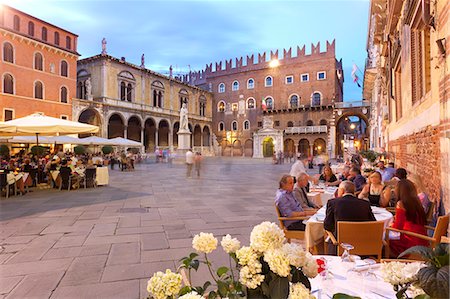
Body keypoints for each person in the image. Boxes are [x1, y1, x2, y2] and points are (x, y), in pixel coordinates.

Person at [324, 181, 376, 253]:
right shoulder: (365, 204)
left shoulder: (333, 203)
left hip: (339, 246)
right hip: (362, 245)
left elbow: (327, 225)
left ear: (342, 190)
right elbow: (373, 224)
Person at [388, 179, 428, 257]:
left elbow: (397, 227)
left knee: (385, 240)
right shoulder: (416, 201)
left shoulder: (401, 203)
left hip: (411, 241)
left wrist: (390, 225)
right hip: (422, 239)